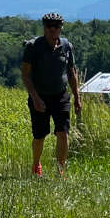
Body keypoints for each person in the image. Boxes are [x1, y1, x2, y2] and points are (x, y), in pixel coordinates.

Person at [21, 12, 82, 176]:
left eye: (56, 26)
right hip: (39, 96)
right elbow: (25, 75)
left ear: (61, 28)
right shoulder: (34, 46)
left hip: (61, 95)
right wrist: (35, 98)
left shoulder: (66, 46)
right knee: (40, 135)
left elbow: (71, 72)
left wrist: (77, 97)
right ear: (44, 28)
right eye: (49, 26)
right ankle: (36, 165)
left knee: (63, 133)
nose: (53, 29)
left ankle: (60, 170)